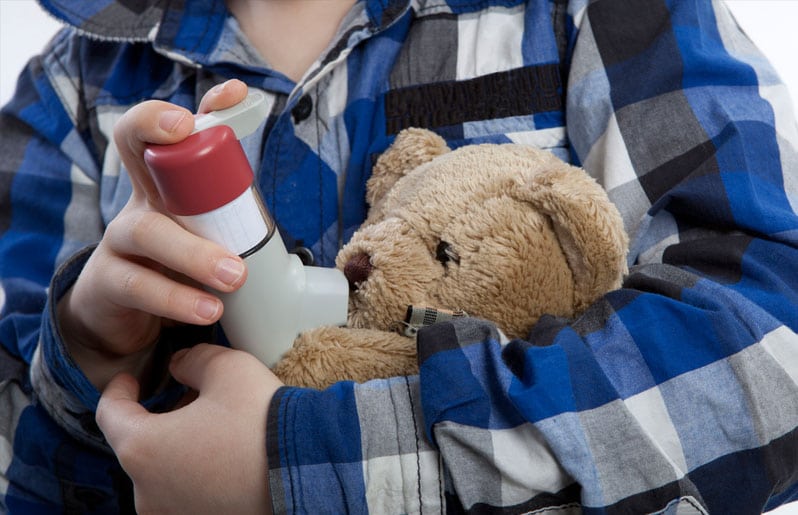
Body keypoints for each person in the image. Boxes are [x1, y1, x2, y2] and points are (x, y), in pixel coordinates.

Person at [1, 0, 797, 512]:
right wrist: (88, 357)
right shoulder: (73, 83)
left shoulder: (596, 14)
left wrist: (302, 463)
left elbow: (774, 341)